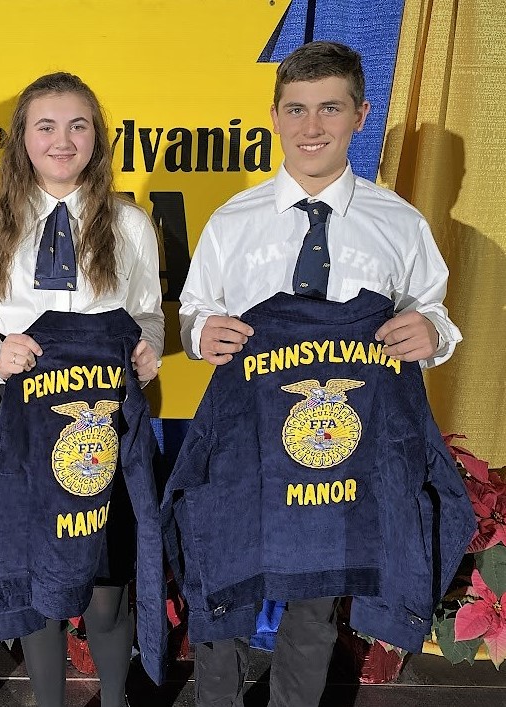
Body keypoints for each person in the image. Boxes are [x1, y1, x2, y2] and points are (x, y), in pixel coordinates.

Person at [178, 41, 461, 707]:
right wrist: (198, 333)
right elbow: (194, 313)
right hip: (246, 446)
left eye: (330, 108)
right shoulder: (232, 222)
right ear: (273, 116)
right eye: (297, 110)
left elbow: (434, 313)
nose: (313, 127)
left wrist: (433, 332)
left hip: (338, 449)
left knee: (313, 602)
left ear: (360, 115)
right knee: (226, 585)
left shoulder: (399, 223)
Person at [0, 72, 164, 707]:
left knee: (106, 581)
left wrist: (149, 345)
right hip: (21, 418)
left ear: (97, 138)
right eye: (45, 125)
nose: (62, 139)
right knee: (36, 574)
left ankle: (117, 696)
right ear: (21, 138)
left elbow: (151, 310)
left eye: (78, 125)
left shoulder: (128, 223)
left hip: (105, 421)